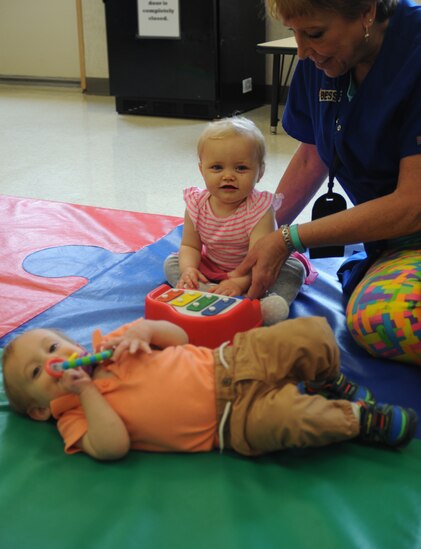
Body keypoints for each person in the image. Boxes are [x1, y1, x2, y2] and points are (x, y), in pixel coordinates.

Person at [234, 0, 421, 364]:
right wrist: (256, 235)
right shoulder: (322, 58)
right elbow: (313, 154)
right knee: (377, 313)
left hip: (410, 223)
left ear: (367, 11)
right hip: (395, 244)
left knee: (387, 322)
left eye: (315, 34)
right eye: (294, 34)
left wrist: (290, 238)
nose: (302, 51)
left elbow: (412, 207)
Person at [2, 316, 417, 461]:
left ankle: (328, 379)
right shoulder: (73, 417)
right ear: (40, 409)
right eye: (37, 373)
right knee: (295, 419)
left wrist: (147, 329)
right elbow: (113, 447)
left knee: (311, 333)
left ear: (72, 344)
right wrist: (86, 393)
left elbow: (180, 339)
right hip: (234, 423)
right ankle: (361, 421)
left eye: (54, 347)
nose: (53, 363)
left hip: (231, 360)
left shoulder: (115, 343)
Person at [164, 116, 317, 325]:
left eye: (241, 168)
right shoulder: (196, 204)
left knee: (292, 270)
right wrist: (189, 269)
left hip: (257, 268)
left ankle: (265, 305)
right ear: (202, 170)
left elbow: (260, 257)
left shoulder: (260, 209)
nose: (228, 176)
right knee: (173, 263)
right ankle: (204, 291)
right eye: (217, 168)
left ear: (259, 172)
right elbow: (190, 245)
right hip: (215, 265)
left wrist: (240, 281)